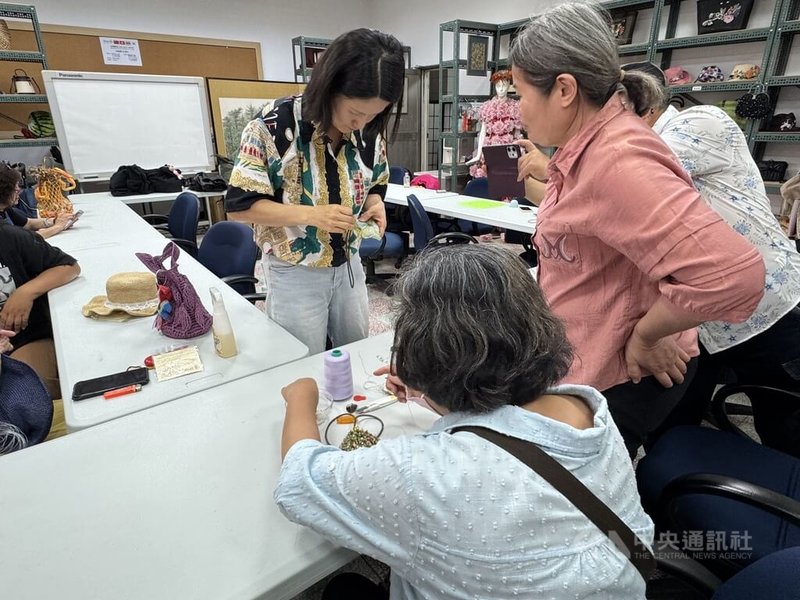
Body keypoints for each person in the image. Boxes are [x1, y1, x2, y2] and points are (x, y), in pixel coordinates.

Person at [276, 244, 654, 600]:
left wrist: (302, 396)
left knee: (345, 588)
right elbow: (507, 427)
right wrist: (432, 390)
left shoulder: (419, 473)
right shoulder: (587, 408)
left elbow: (298, 482)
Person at [508, 2, 765, 456]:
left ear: (564, 89)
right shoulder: (585, 150)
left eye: (520, 94)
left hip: (613, 376)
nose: (518, 111)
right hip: (587, 359)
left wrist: (649, 333)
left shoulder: (617, 159)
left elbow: (733, 277)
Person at [622, 61, 800, 456]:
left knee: (786, 432)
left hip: (768, 311)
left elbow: (629, 178)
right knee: (670, 429)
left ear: (644, 103)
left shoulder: (698, 122)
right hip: (702, 320)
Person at [225, 28, 405, 355]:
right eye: (355, 112)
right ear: (329, 87)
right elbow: (239, 206)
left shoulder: (369, 132)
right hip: (295, 270)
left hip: (349, 264)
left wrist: (376, 202)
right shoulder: (272, 126)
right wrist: (310, 215)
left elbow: (376, 180)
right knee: (301, 361)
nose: (362, 122)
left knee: (357, 355)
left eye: (374, 114)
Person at [0, 215, 80, 399]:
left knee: (27, 392)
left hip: (24, 339)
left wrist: (26, 292)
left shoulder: (8, 237)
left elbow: (69, 266)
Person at [467, 69, 524, 178]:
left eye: (504, 85)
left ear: (509, 86)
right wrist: (479, 154)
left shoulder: (514, 107)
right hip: (490, 147)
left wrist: (519, 152)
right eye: (498, 86)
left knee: (508, 180)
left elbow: (517, 133)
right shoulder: (487, 107)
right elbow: (483, 132)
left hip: (508, 149)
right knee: (489, 178)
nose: (501, 89)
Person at [0, 164, 77, 239]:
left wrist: (55, 221)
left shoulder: (5, 209)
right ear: (4, 192)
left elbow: (28, 223)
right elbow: (24, 239)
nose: (19, 191)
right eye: (15, 190)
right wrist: (57, 227)